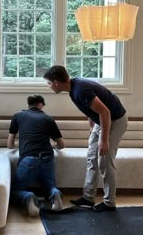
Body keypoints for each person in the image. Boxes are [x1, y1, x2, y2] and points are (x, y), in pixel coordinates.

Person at [43, 65, 128, 212]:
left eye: (49, 83)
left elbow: (105, 112)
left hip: (114, 120)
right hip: (101, 121)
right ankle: (88, 198)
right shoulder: (73, 88)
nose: (49, 86)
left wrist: (104, 139)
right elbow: (91, 110)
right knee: (91, 157)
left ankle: (109, 203)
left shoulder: (80, 90)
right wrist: (92, 128)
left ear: (56, 82)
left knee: (105, 161)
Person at [7, 94, 66, 217]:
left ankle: (28, 198)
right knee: (49, 187)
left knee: (15, 190)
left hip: (28, 158)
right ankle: (55, 195)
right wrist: (54, 146)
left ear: (28, 105)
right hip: (47, 157)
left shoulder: (18, 116)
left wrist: (21, 143)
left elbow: (10, 145)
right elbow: (62, 144)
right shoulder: (48, 119)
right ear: (40, 105)